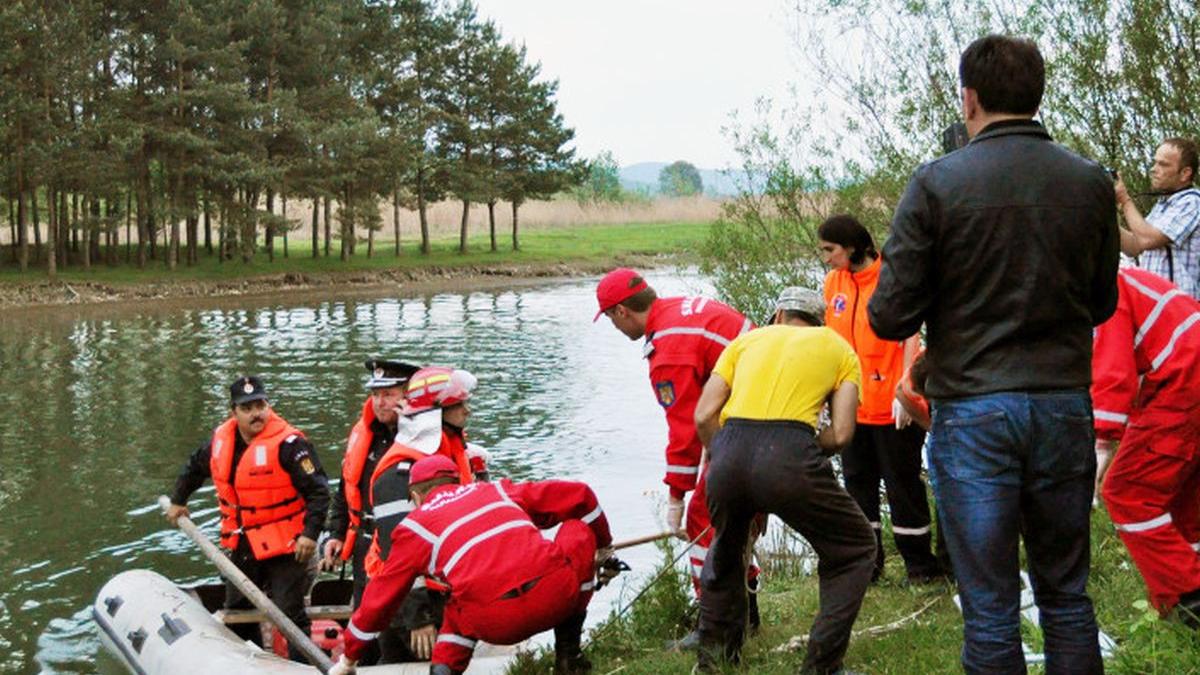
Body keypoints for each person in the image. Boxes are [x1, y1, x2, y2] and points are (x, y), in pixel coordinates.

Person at [868, 35, 1118, 673]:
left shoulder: (935, 182)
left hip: (975, 410)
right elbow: (1102, 303)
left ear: (969, 97)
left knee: (990, 607)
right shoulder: (1090, 181)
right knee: (1066, 596)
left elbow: (890, 312)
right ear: (1036, 95)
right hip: (1063, 405)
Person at [693, 286, 875, 675]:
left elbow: (704, 415)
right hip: (791, 452)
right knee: (854, 548)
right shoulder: (837, 347)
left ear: (778, 315)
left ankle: (715, 663)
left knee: (726, 552)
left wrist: (726, 457)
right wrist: (796, 458)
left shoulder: (746, 341)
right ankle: (822, 667)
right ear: (818, 321)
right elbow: (842, 434)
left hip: (729, 451)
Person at [329, 455, 615, 675]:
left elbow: (380, 600)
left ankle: (443, 671)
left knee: (458, 608)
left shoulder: (414, 527)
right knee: (579, 530)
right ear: (458, 482)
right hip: (554, 599)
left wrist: (349, 658)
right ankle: (569, 655)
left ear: (416, 496)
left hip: (495, 622)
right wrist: (604, 547)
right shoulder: (497, 490)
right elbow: (581, 496)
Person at [594, 267, 758, 646]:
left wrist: (676, 496)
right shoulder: (681, 309)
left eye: (610, 319)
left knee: (704, 518)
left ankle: (714, 626)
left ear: (622, 312)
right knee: (734, 519)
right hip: (758, 406)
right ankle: (747, 616)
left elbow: (686, 428)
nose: (615, 328)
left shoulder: (670, 350)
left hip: (748, 416)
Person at [165, 375, 330, 662]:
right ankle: (248, 661)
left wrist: (310, 534)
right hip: (243, 541)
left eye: (260, 405)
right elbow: (194, 467)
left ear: (268, 405)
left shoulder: (290, 445)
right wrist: (179, 500)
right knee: (238, 607)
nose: (256, 413)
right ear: (234, 412)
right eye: (247, 408)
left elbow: (319, 492)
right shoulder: (220, 442)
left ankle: (304, 666)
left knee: (288, 610)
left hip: (286, 544)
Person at [818, 214, 942, 583]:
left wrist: (906, 391)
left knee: (903, 485)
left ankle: (920, 567)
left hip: (891, 406)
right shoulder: (833, 283)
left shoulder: (891, 278)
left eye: (830, 249)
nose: (825, 257)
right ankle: (866, 566)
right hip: (850, 408)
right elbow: (830, 341)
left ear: (852, 247)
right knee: (858, 487)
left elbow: (910, 335)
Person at [360, 365, 489, 662]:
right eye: (459, 406)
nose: (467, 412)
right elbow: (399, 555)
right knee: (410, 663)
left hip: (438, 591)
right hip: (407, 601)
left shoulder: (447, 455)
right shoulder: (398, 474)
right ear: (436, 414)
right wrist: (418, 617)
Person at [1092, 267, 1200, 621]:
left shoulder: (1102, 291)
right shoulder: (1116, 278)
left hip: (1183, 380)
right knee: (1183, 499)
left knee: (1128, 493)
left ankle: (1188, 595)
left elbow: (1113, 373)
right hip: (1184, 374)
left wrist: (1101, 443)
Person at [321, 359, 419, 665]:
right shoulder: (364, 435)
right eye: (376, 394)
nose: (379, 402)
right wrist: (335, 534)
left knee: (399, 632)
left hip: (401, 551)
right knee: (364, 626)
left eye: (389, 394)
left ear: (408, 395)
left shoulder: (422, 440)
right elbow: (345, 489)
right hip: (365, 547)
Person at [1114, 137, 1200, 298]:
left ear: (1185, 173)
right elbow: (1134, 247)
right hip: (1158, 305)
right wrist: (1104, 215)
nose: (1154, 169)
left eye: (1163, 164)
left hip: (1180, 309)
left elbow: (1148, 240)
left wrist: (1124, 200)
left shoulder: (1192, 203)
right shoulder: (1163, 205)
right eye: (1155, 163)